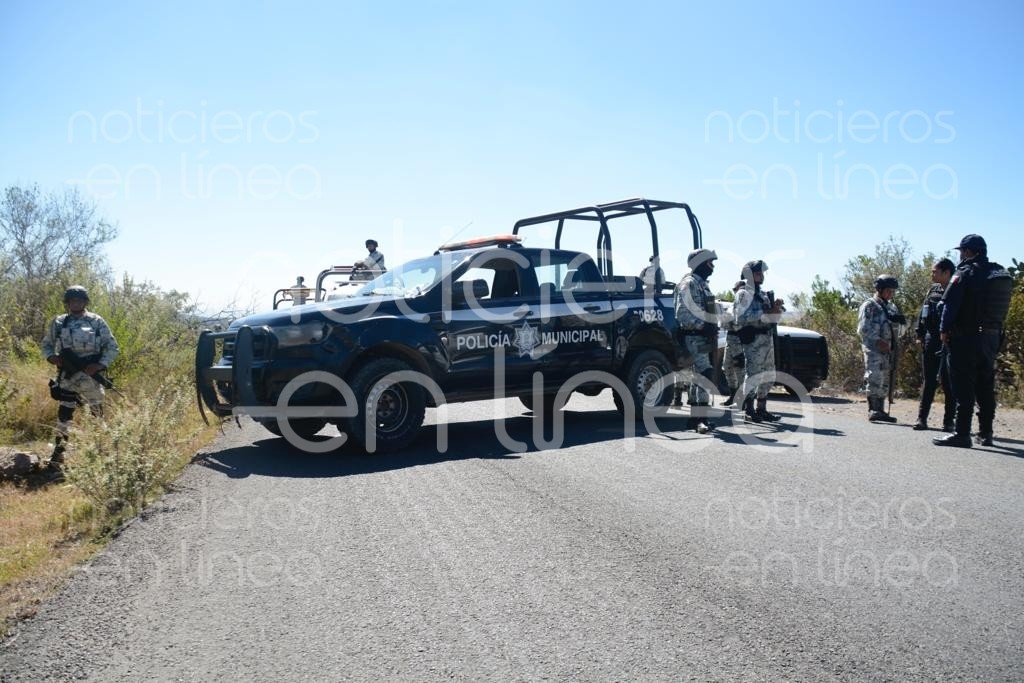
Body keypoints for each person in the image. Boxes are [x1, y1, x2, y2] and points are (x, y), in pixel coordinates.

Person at [934, 234, 1013, 448]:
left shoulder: (965, 272)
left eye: (961, 251)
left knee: (963, 386)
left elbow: (950, 305)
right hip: (992, 337)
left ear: (969, 252)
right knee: (985, 385)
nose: (960, 256)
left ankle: (962, 434)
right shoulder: (1000, 272)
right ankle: (986, 433)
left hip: (966, 337)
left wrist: (943, 329)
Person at [40, 285, 119, 473]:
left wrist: (99, 365)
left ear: (85, 302)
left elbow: (112, 347)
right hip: (68, 379)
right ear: (67, 303)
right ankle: (58, 454)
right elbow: (47, 345)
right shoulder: (60, 322)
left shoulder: (96, 321)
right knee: (64, 417)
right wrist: (53, 358)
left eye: (80, 300)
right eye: (72, 301)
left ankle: (103, 456)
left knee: (97, 417)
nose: (76, 303)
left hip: (91, 379)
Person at [734, 260, 786, 422]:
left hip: (767, 338)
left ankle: (761, 408)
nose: (761, 276)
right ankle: (748, 409)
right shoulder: (743, 294)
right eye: (758, 273)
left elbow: (773, 318)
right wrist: (766, 312)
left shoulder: (762, 294)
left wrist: (777, 309)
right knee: (754, 375)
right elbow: (741, 317)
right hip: (753, 340)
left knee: (769, 374)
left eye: (762, 273)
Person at [673, 248, 719, 433]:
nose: (712, 266)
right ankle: (701, 418)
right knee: (704, 374)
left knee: (698, 376)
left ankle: (695, 419)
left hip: (703, 337)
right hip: (693, 337)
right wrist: (703, 325)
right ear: (700, 263)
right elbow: (682, 314)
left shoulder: (702, 285)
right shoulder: (688, 284)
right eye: (710, 262)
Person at [913, 258, 956, 431]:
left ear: (946, 273)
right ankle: (921, 419)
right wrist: (919, 334)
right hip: (932, 339)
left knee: (949, 382)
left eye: (935, 271)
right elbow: (923, 312)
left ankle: (948, 422)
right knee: (929, 380)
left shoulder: (957, 290)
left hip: (950, 341)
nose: (932, 274)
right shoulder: (933, 290)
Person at [857, 275, 905, 423]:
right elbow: (863, 328)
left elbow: (899, 331)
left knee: (885, 378)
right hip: (874, 348)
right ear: (879, 289)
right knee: (874, 376)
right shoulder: (870, 305)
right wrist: (878, 341)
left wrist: (901, 323)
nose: (891, 294)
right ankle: (873, 409)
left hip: (889, 349)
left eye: (893, 291)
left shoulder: (891, 307)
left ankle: (881, 410)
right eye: (888, 290)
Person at [720, 279, 747, 407]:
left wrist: (729, 322)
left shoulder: (744, 305)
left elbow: (737, 324)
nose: (734, 292)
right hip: (730, 340)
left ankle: (745, 399)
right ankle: (733, 395)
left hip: (739, 340)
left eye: (735, 289)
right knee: (727, 368)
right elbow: (723, 322)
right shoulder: (733, 305)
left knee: (740, 369)